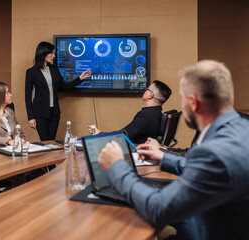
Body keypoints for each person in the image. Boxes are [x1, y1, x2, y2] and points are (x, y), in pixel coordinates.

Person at [98, 60, 249, 239]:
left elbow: (157, 208)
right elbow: (202, 169)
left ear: (193, 103)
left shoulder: (214, 151)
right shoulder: (242, 127)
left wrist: (117, 166)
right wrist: (162, 157)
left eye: (182, 98)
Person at [25, 41, 91, 141]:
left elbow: (64, 87)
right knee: (45, 142)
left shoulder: (54, 69)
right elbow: (27, 96)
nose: (53, 56)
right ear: (43, 53)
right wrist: (31, 117)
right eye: (51, 53)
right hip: (39, 114)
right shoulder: (31, 72)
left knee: (52, 141)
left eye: (53, 53)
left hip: (54, 113)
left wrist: (80, 78)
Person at [89, 80, 172, 144]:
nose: (145, 90)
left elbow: (121, 137)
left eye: (147, 89)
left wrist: (99, 133)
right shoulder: (156, 113)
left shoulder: (146, 116)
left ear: (150, 95)